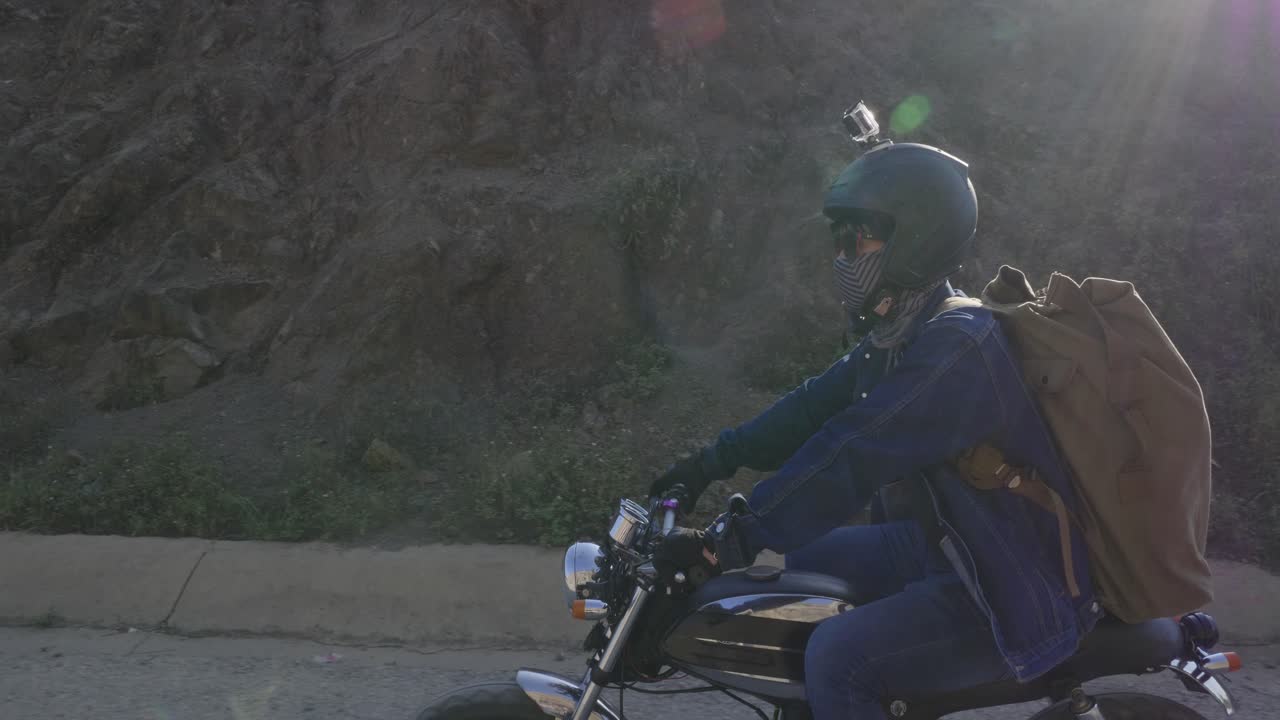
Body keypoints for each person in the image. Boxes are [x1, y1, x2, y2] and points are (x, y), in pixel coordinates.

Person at [650, 142, 1101, 720]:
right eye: (838, 240)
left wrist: (728, 538)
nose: (842, 256)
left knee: (839, 656)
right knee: (797, 566)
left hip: (1006, 580)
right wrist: (709, 462)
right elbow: (812, 408)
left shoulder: (956, 347)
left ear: (915, 238)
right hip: (951, 545)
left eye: (857, 238)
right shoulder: (903, 334)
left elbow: (855, 450)